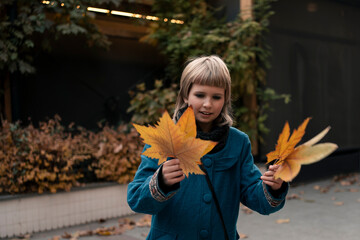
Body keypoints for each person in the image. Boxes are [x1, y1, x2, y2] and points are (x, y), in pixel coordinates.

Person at [127, 55, 288, 240]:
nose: (208, 104)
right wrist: (160, 181)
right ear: (186, 95)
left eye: (216, 97)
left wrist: (274, 188)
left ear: (225, 99)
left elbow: (256, 197)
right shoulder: (164, 139)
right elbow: (136, 200)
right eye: (200, 95)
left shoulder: (238, 142)